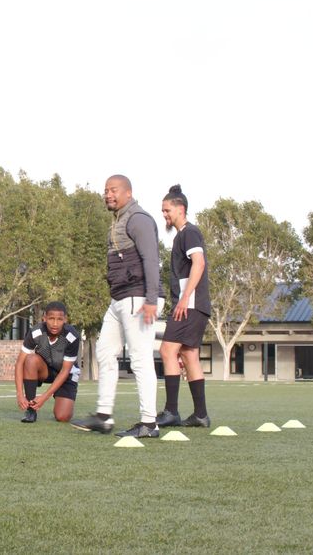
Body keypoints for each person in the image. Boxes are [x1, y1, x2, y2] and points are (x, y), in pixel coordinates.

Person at [71, 175, 165, 438]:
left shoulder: (138, 219)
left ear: (128, 193)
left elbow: (151, 260)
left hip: (139, 297)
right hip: (120, 298)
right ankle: (104, 416)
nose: (108, 195)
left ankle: (149, 423)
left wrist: (151, 300)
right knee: (104, 351)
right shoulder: (118, 221)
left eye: (113, 190)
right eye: (105, 191)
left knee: (140, 358)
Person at [156, 185, 212, 428]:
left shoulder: (189, 233)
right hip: (194, 305)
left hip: (189, 305)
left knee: (167, 350)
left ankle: (171, 411)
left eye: (167, 210)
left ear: (181, 209)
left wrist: (184, 298)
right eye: (162, 211)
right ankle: (200, 415)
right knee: (189, 355)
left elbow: (199, 263)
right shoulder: (182, 235)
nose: (164, 215)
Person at [14, 301, 81, 423]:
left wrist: (44, 397)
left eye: (59, 319)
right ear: (44, 318)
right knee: (30, 359)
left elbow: (65, 371)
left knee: (62, 417)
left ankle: (62, 396)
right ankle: (31, 410)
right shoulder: (35, 332)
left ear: (65, 319)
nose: (55, 324)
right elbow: (19, 363)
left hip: (66, 374)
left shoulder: (72, 336)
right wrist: (19, 394)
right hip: (46, 370)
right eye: (51, 319)